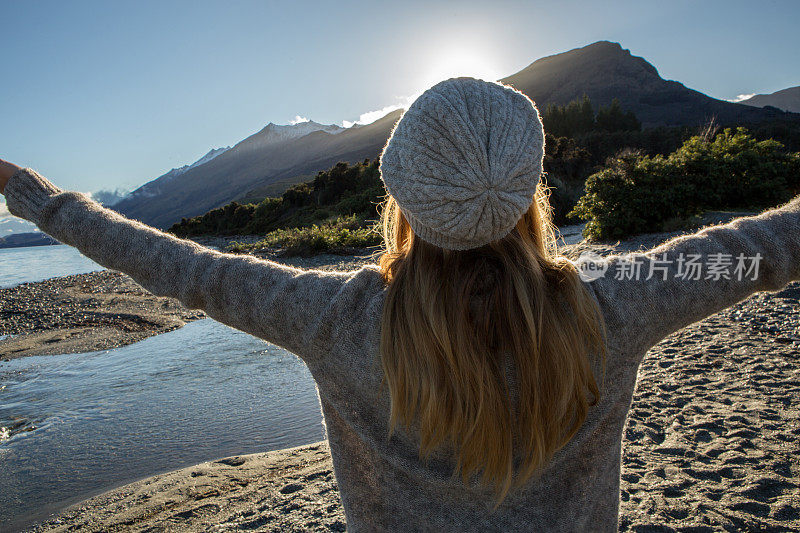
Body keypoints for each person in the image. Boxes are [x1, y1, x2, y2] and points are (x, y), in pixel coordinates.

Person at [1, 77, 798, 532]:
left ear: (404, 201)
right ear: (530, 192)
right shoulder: (612, 301)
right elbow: (759, 249)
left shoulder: (335, 318)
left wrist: (36, 200)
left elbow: (185, 270)